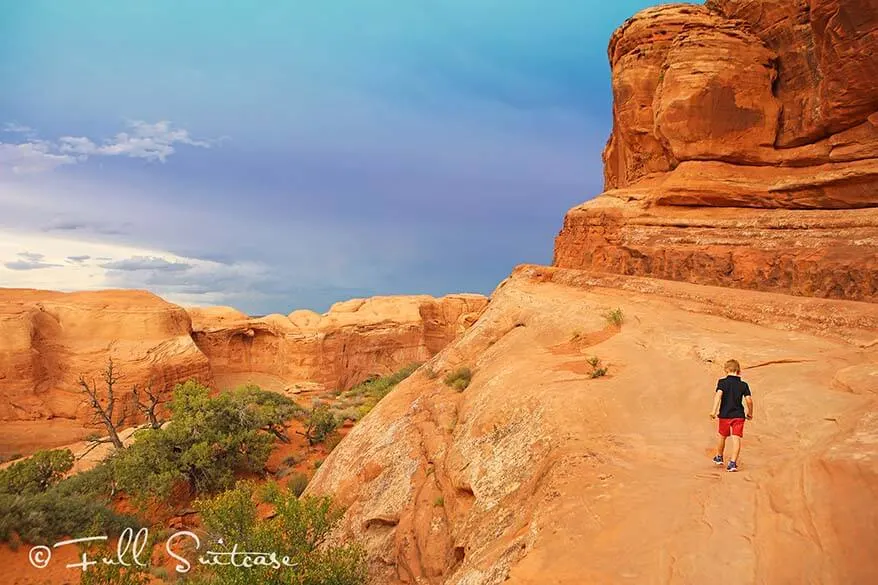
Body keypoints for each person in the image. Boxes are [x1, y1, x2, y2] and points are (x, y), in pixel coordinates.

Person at [709, 359, 753, 472]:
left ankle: (719, 456)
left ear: (726, 370)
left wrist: (713, 411)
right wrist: (750, 413)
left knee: (722, 436)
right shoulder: (743, 385)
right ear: (739, 371)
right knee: (736, 438)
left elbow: (718, 396)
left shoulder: (722, 382)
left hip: (724, 415)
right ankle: (732, 463)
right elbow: (749, 400)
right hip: (738, 415)